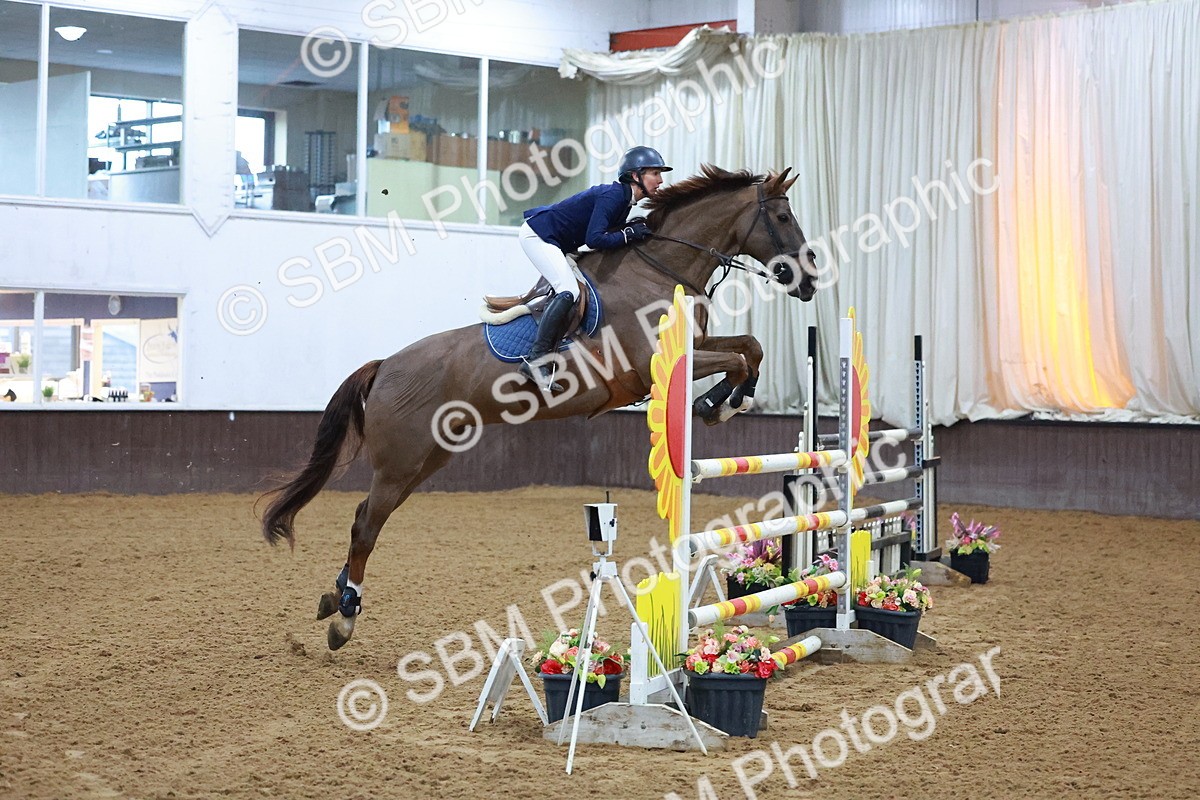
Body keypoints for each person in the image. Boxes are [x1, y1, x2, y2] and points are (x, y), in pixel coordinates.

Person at [518, 145, 672, 391]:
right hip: (539, 236)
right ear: (635, 176)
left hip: (559, 242)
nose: (661, 180)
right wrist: (628, 233)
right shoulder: (612, 196)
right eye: (655, 173)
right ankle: (536, 360)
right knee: (569, 291)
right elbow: (595, 239)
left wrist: (629, 231)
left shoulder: (624, 201)